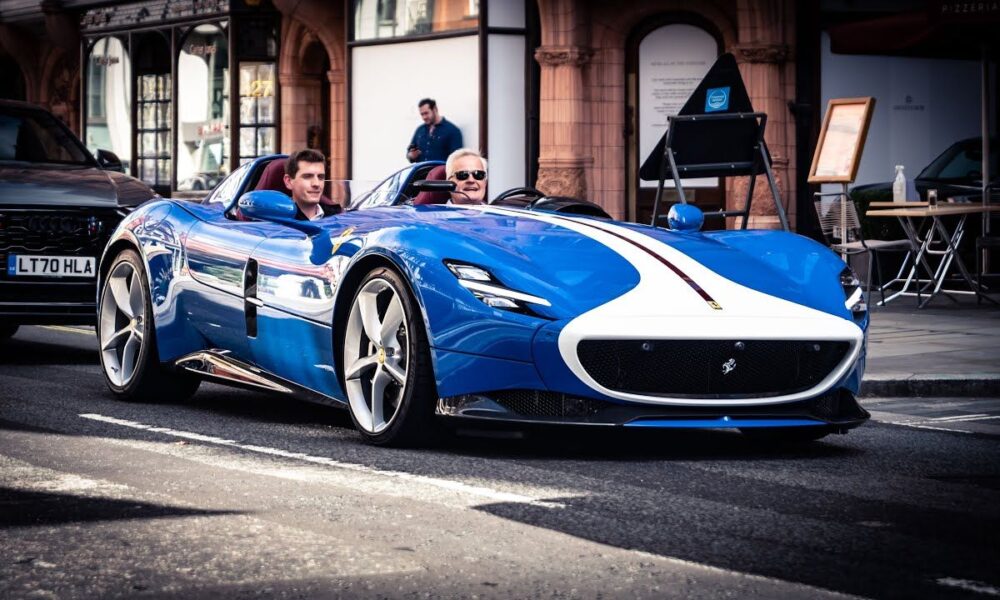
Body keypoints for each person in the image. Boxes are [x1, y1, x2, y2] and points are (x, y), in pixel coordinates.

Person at [284, 149, 339, 221]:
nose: (316, 184)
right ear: (288, 181)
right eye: (307, 176)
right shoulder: (277, 220)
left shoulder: (338, 216)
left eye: (320, 177)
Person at [406, 98, 463, 163]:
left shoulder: (452, 131)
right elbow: (409, 153)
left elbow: (457, 159)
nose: (424, 117)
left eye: (426, 113)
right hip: (420, 172)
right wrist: (411, 155)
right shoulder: (419, 130)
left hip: (440, 172)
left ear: (435, 109)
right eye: (422, 114)